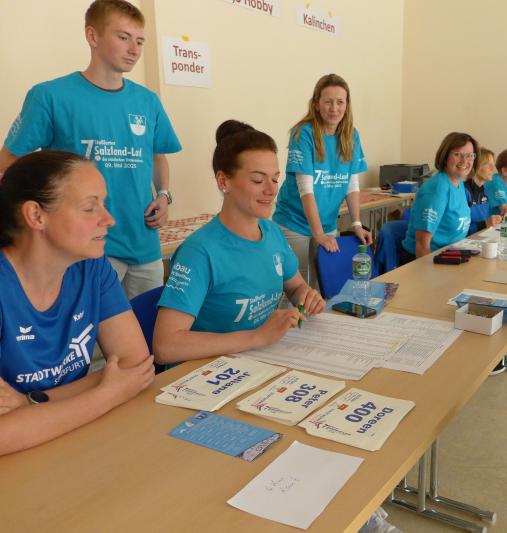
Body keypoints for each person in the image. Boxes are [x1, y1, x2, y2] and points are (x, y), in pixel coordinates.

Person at [0, 0, 182, 299]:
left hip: (144, 243)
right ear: (92, 36)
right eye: (123, 37)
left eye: (139, 41)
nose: (134, 49)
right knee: (92, 329)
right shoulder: (50, 96)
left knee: (145, 325)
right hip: (85, 248)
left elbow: (157, 155)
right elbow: (8, 161)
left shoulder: (148, 101)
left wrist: (163, 194)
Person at [0, 151, 155, 456]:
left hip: (68, 441)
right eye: (89, 207)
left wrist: (32, 402)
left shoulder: (91, 267)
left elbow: (135, 367)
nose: (109, 219)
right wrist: (106, 394)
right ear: (36, 216)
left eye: (103, 204)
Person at [153, 121, 325, 364]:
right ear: (223, 182)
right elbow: (165, 346)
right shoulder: (199, 252)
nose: (271, 190)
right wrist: (257, 336)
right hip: (208, 371)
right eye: (258, 180)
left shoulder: (272, 232)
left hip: (259, 360)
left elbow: (296, 287)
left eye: (275, 179)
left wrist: (307, 297)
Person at [271, 74, 371, 289]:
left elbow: (352, 185)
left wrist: (356, 224)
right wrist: (318, 235)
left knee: (322, 287)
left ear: (347, 105)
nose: (334, 108)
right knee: (296, 289)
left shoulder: (351, 135)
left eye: (340, 102)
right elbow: (305, 189)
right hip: (294, 223)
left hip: (327, 224)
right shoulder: (303, 133)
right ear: (316, 103)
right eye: (328, 101)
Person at [399, 132, 477, 264]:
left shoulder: (458, 183)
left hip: (452, 255)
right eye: (458, 154)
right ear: (445, 156)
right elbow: (422, 244)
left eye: (470, 155)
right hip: (428, 260)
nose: (464, 161)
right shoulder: (437, 189)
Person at [465, 147, 502, 234]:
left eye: (493, 165)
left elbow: (487, 220)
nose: (493, 169)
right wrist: (484, 224)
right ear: (477, 166)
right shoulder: (464, 192)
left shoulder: (484, 191)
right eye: (489, 165)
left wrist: (499, 217)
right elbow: (459, 231)